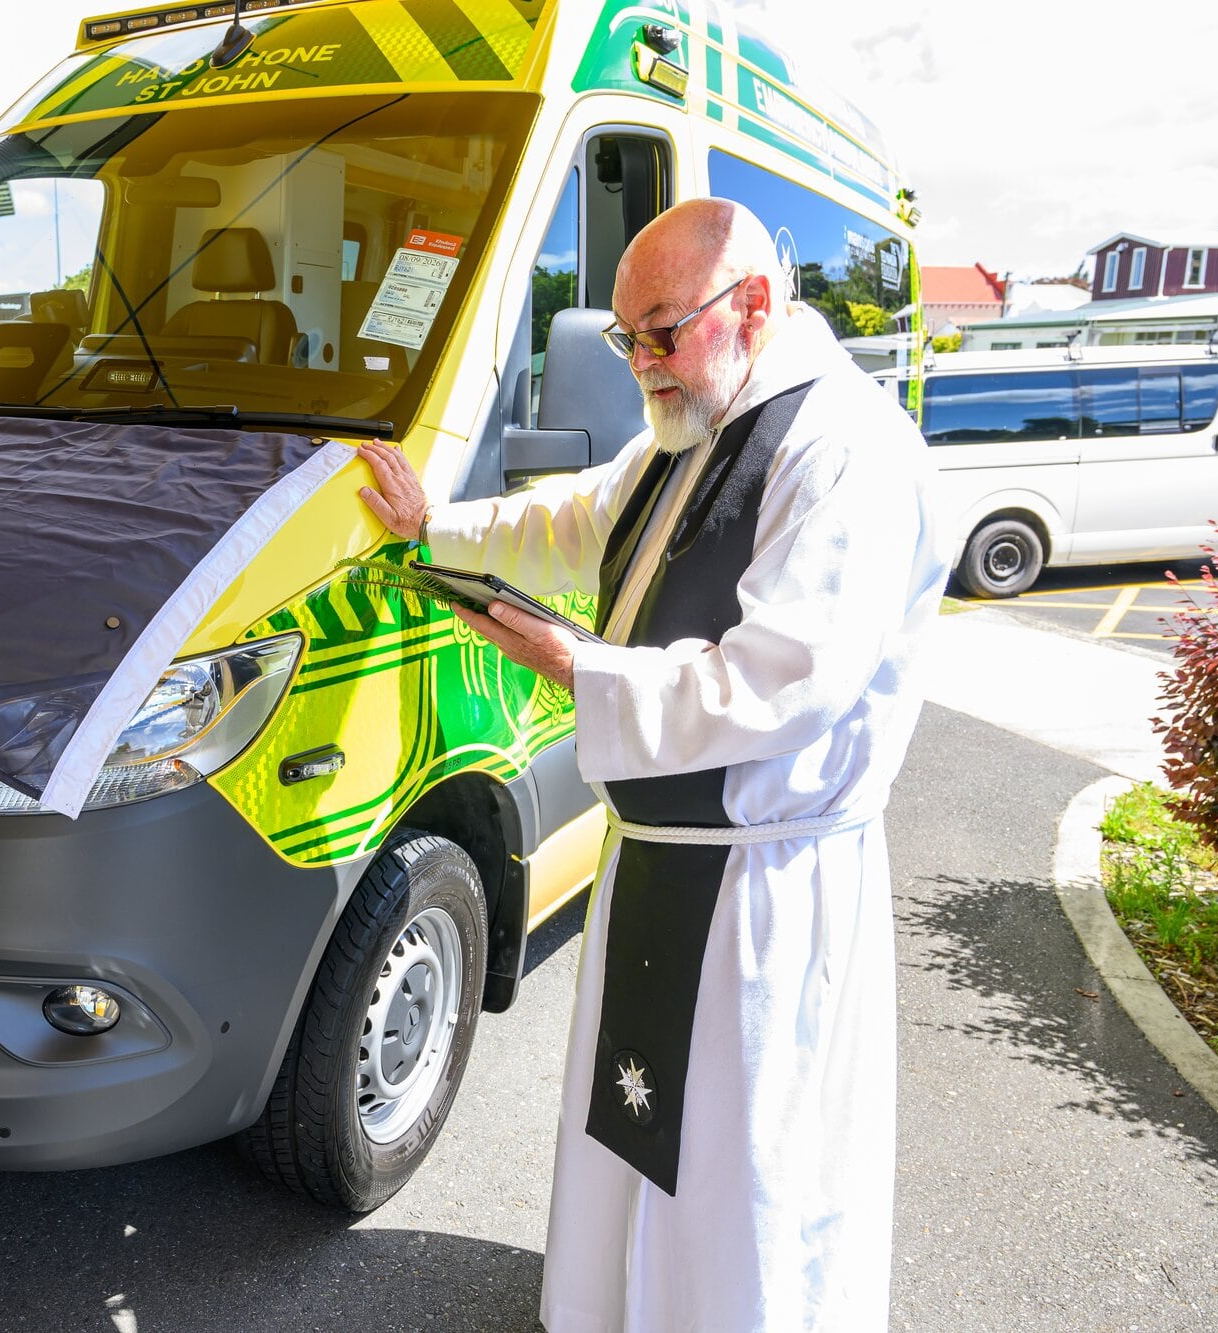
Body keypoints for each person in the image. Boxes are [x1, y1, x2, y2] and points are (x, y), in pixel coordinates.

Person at [357, 198, 948, 1331]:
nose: (640, 363)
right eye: (624, 336)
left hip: (764, 889)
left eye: (659, 332)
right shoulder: (700, 426)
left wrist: (581, 670)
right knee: (647, 1143)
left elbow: (783, 681)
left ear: (754, 305)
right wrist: (434, 528)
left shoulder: (846, 451)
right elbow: (577, 523)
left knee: (743, 1168)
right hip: (668, 860)